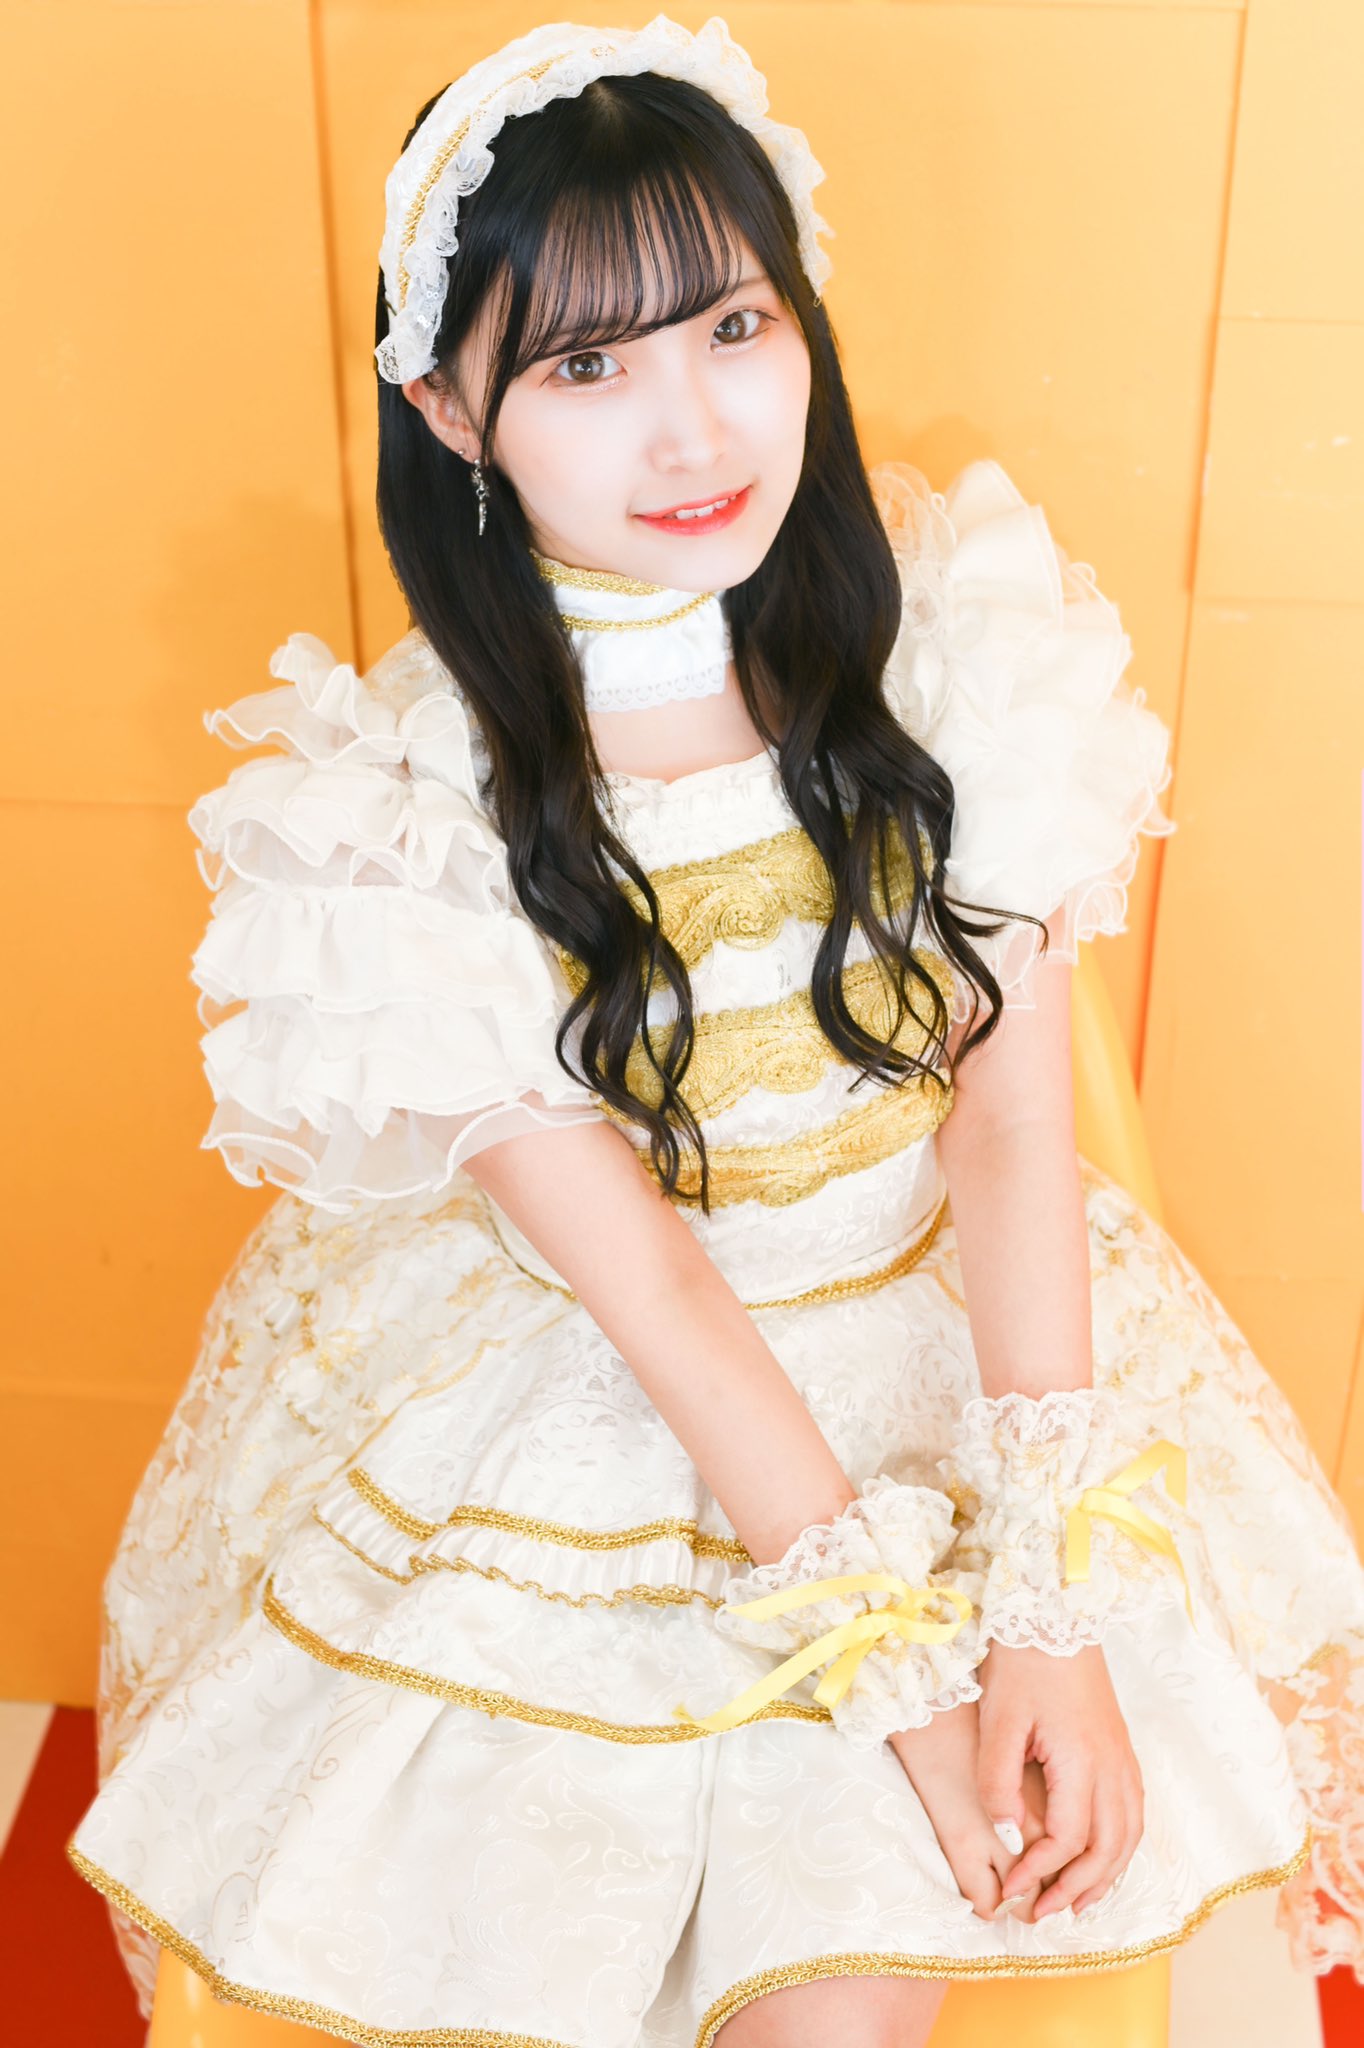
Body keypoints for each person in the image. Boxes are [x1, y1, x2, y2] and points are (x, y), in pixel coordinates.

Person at [66, 14, 1364, 2047]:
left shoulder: (955, 656)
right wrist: (900, 1677)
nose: (693, 433)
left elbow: (1012, 1127)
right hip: (606, 1410)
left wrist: (1043, 1603)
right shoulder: (403, 819)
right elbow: (658, 1286)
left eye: (733, 328)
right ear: (448, 405)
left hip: (952, 1354)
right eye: (587, 368)